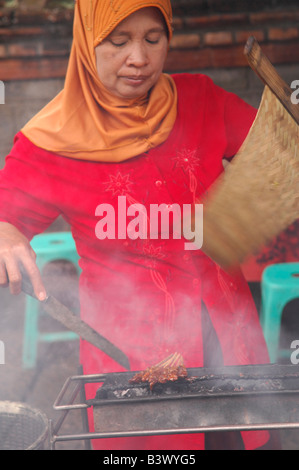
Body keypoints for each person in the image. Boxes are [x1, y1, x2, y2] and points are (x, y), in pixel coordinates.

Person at [0, 0, 279, 450]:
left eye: (153, 39)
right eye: (118, 41)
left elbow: (275, 157)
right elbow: (3, 216)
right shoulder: (49, 141)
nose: (139, 58)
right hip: (130, 360)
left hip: (229, 342)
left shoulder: (202, 99)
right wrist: (5, 234)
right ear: (87, 42)